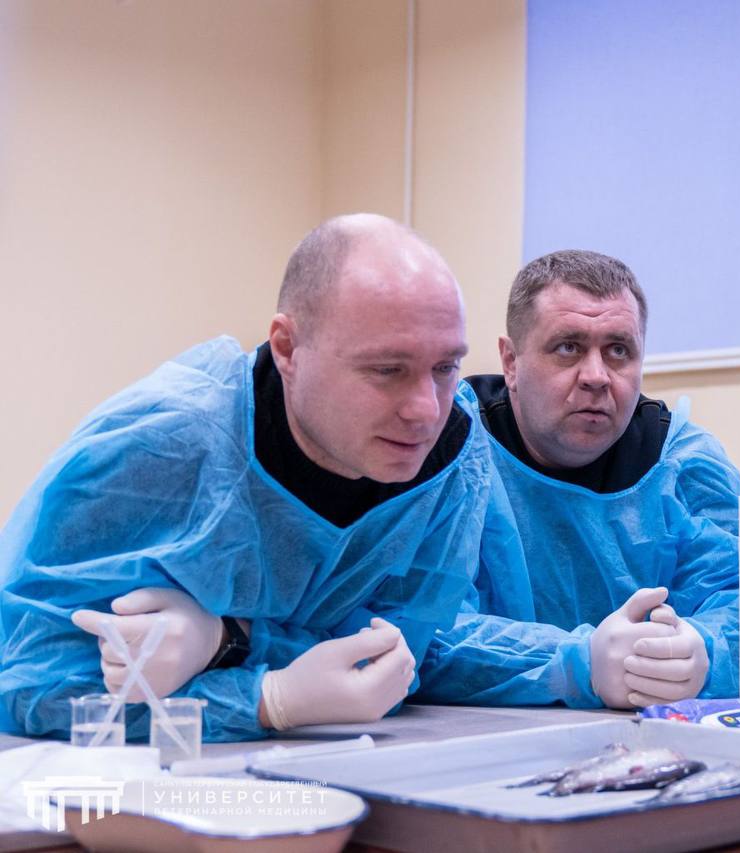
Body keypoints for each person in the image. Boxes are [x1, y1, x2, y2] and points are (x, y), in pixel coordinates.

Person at [0, 213, 491, 741]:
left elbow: (398, 656)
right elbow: (30, 685)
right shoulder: (163, 446)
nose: (425, 411)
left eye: (446, 367)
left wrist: (226, 640)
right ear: (287, 348)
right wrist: (264, 699)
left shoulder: (449, 457)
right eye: (387, 370)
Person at [414, 249, 740, 709]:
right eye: (568, 347)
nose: (596, 377)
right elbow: (414, 629)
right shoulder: (445, 447)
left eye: (618, 351)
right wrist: (579, 663)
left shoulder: (684, 468)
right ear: (511, 362)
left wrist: (702, 650)